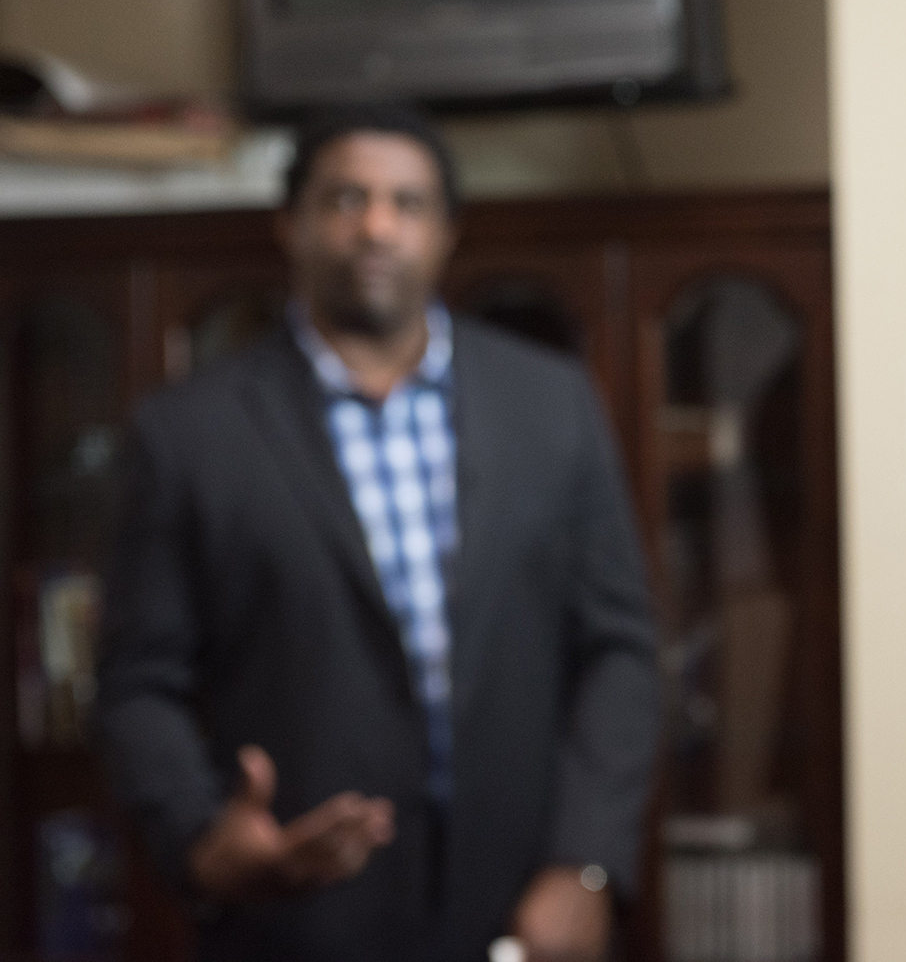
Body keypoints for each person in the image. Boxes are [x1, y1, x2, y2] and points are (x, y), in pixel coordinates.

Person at [97, 104, 660, 962]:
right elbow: (139, 682)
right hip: (296, 920)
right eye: (346, 199)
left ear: (447, 230)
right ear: (289, 222)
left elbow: (618, 649)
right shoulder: (188, 435)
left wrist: (586, 863)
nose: (377, 226)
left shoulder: (553, 406)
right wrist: (205, 838)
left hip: (521, 915)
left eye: (408, 201)